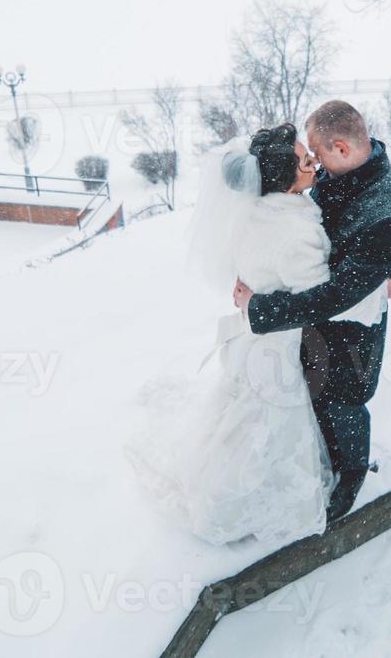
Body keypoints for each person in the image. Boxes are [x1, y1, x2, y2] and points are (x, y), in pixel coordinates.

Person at [125, 125, 337, 545]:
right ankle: (237, 506)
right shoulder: (296, 232)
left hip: (252, 336)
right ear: (284, 179)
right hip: (277, 343)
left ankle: (227, 484)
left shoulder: (256, 212)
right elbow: (318, 295)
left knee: (243, 417)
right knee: (269, 425)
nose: (314, 162)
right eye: (305, 161)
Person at [234, 100, 391, 521]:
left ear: (342, 148)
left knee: (343, 408)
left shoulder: (388, 214)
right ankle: (322, 468)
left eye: (317, 155)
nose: (312, 164)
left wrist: (258, 308)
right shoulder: (341, 170)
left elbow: (335, 296)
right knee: (314, 408)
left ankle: (349, 486)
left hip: (350, 339)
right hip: (307, 329)